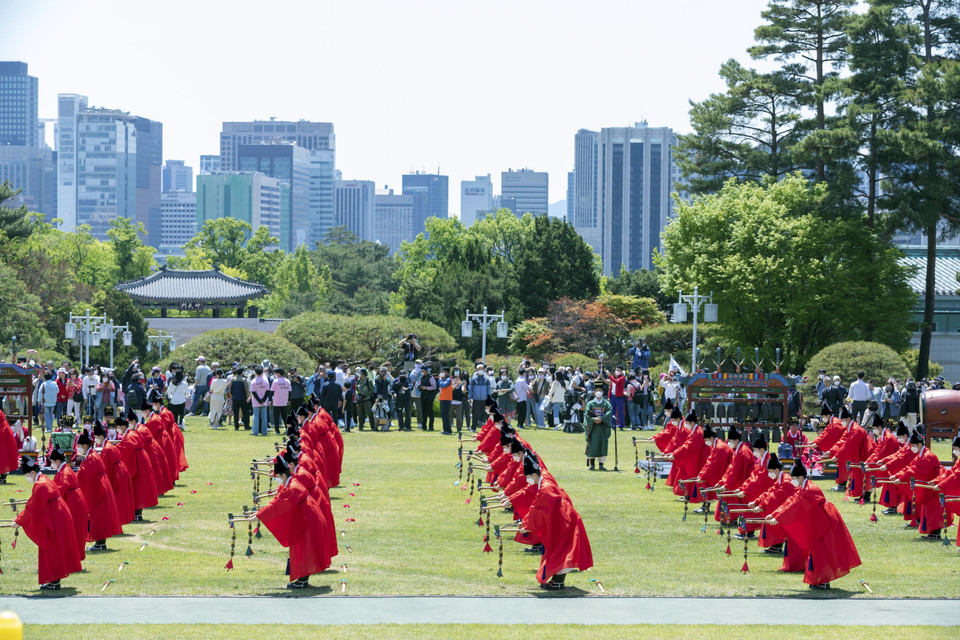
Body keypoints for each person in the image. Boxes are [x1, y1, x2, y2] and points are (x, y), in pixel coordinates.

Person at [766, 460, 862, 590]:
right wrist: (774, 514)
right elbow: (791, 501)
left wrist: (779, 518)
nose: (792, 480)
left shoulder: (810, 489)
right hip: (820, 522)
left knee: (821, 552)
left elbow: (796, 505)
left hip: (826, 522)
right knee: (818, 551)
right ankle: (820, 580)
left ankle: (822, 581)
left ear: (800, 477)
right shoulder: (804, 488)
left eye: (794, 478)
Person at [256, 454, 333, 589]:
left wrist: (260, 515)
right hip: (307, 516)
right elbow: (279, 499)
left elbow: (279, 506)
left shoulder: (293, 487)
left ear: (283, 476)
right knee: (303, 547)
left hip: (309, 519)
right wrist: (260, 512)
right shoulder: (291, 483)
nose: (277, 480)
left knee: (304, 548)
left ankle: (302, 581)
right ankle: (302, 579)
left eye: (278, 477)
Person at [518, 453, 593, 589]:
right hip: (560, 519)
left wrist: (528, 526)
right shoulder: (544, 479)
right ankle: (557, 580)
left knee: (561, 551)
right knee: (557, 549)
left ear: (534, 475)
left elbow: (540, 511)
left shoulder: (546, 488)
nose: (529, 480)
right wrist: (526, 521)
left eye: (529, 477)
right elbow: (537, 506)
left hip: (564, 522)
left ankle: (558, 582)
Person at [13, 455, 83, 589]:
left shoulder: (41, 485)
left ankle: (54, 581)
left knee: (51, 547)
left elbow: (33, 508)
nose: (27, 477)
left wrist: (19, 521)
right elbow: (34, 504)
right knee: (55, 548)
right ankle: (54, 580)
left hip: (57, 519)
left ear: (32, 472)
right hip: (58, 515)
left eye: (27, 474)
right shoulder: (44, 479)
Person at [74, 429, 123, 551]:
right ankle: (100, 543)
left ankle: (100, 544)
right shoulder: (92, 455)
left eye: (79, 446)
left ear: (85, 446)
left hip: (99, 489)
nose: (78, 449)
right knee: (100, 516)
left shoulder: (91, 458)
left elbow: (83, 475)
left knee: (99, 516)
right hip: (102, 487)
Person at [49, 447, 89, 562]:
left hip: (74, 504)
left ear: (57, 461)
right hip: (75, 501)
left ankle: (72, 559)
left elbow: (59, 489)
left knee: (74, 532)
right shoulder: (65, 469)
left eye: (52, 462)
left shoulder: (64, 472)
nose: (51, 464)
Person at [584, 387, 612, 470]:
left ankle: (601, 465)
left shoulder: (606, 404)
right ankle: (592, 465)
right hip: (593, 428)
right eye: (597, 390)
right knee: (592, 445)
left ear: (603, 392)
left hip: (602, 427)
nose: (598, 392)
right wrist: (593, 419)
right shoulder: (590, 403)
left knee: (602, 445)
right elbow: (587, 414)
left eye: (600, 390)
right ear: (594, 392)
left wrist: (601, 419)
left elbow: (609, 412)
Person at [249, 365, 270, 437]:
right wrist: (263, 400)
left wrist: (259, 400)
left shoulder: (253, 381)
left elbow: (253, 392)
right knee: (264, 417)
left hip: (256, 401)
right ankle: (264, 432)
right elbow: (268, 391)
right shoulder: (265, 380)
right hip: (264, 401)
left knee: (256, 416)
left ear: (255, 372)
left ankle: (255, 432)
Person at [270, 368, 292, 436]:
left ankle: (277, 431)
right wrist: (288, 400)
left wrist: (269, 400)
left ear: (278, 373)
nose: (275, 374)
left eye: (276, 373)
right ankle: (287, 429)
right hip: (284, 401)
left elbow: (272, 391)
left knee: (276, 417)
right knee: (285, 417)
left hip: (276, 402)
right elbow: (290, 392)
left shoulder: (275, 381)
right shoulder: (287, 381)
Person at [417, 366, 437, 432]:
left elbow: (434, 387)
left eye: (423, 371)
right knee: (424, 412)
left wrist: (426, 388)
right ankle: (424, 426)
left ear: (426, 371)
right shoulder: (422, 377)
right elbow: (419, 384)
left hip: (429, 396)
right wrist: (419, 386)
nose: (422, 372)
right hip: (423, 396)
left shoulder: (431, 377)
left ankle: (431, 427)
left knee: (430, 412)